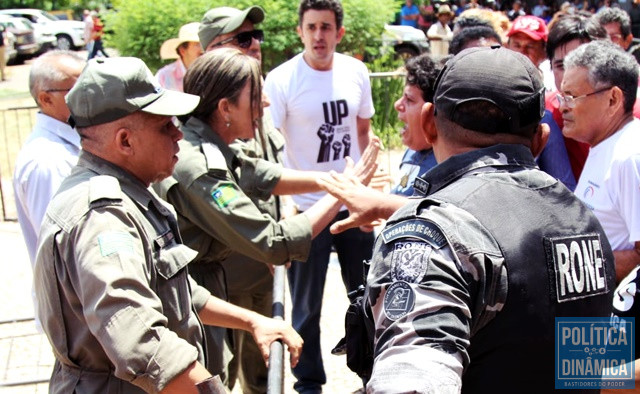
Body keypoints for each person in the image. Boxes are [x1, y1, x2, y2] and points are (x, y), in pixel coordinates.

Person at [318, 46, 616, 392]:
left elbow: (411, 384)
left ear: (429, 123)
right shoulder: (586, 223)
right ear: (540, 139)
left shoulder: (432, 231)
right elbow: (589, 371)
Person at [34, 56, 303, 394]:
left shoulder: (129, 195)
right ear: (125, 141)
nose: (179, 133)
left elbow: (174, 291)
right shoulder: (103, 216)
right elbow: (141, 341)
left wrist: (253, 321)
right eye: (164, 126)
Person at [156, 47, 379, 387]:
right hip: (195, 301)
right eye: (257, 95)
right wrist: (342, 193)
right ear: (225, 108)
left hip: (210, 291)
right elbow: (275, 242)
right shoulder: (199, 166)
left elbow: (260, 174)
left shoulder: (209, 142)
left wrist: (330, 181)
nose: (267, 104)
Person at [263, 0, 377, 391]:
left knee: (367, 297)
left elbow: (362, 132)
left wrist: (366, 189)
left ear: (339, 33)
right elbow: (272, 148)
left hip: (352, 205)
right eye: (311, 27)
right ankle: (308, 382)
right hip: (308, 210)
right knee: (306, 307)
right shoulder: (280, 80)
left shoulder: (355, 71)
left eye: (326, 27)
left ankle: (372, 373)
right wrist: (286, 203)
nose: (319, 36)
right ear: (300, 31)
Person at [197, 6, 288, 392]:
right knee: (218, 379)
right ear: (211, 52)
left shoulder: (256, 97)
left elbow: (271, 177)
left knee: (264, 377)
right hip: (225, 278)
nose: (255, 46)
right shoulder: (209, 117)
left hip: (264, 268)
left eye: (256, 37)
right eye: (242, 39)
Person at [13, 50, 85, 330]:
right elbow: (63, 251)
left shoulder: (71, 145)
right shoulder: (48, 161)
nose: (88, 94)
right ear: (46, 99)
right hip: (77, 318)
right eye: (77, 88)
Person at [560, 40, 640, 282]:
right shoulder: (606, 145)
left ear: (613, 99)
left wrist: (567, 274)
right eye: (563, 96)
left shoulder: (630, 158)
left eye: (572, 96)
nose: (563, 107)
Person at [504, 15, 576, 190]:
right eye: (517, 45)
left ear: (543, 53)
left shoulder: (545, 115)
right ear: (506, 47)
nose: (522, 52)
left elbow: (564, 188)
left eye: (530, 47)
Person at [545, 14, 608, 182]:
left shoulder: (632, 115)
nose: (570, 75)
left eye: (581, 63)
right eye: (561, 66)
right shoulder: (544, 114)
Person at [391, 53, 440, 196]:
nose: (398, 105)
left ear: (431, 112)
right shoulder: (412, 151)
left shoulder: (445, 167)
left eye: (409, 100)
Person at [156, 22, 202, 92]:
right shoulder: (164, 76)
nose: (203, 49)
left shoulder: (213, 73)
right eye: (197, 44)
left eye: (204, 44)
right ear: (182, 50)